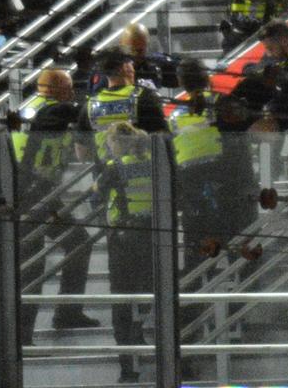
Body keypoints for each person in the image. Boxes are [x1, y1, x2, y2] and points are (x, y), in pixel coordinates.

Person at [13, 69, 98, 343]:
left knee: (78, 242)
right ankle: (23, 334)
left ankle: (67, 312)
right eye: (69, 88)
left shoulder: (31, 108)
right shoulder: (49, 111)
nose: (72, 93)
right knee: (33, 265)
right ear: (56, 90)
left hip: (40, 191)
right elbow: (74, 113)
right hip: (30, 195)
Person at [168, 59, 257, 277]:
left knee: (198, 257)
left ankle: (196, 306)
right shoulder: (224, 102)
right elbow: (244, 138)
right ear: (207, 76)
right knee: (242, 254)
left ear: (181, 82)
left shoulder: (174, 115)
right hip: (231, 188)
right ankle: (246, 305)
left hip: (194, 194)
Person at [92, 122, 153, 383]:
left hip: (123, 239)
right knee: (148, 290)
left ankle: (128, 367)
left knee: (121, 300)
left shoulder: (114, 168)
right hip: (152, 236)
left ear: (116, 144)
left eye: (109, 143)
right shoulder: (154, 162)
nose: (108, 148)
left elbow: (95, 198)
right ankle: (140, 330)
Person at [76, 47, 167, 170]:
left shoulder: (89, 106)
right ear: (124, 67)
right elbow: (162, 140)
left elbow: (82, 154)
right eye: (130, 63)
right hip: (144, 178)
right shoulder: (145, 97)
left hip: (108, 180)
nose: (133, 67)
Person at [117, 22, 180, 91]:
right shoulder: (112, 68)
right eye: (130, 50)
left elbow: (183, 73)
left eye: (139, 51)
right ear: (121, 44)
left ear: (146, 45)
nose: (134, 55)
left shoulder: (155, 64)